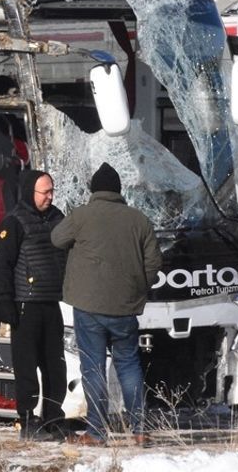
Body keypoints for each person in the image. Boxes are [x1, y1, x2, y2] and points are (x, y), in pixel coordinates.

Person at [51, 162, 161, 447]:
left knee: (94, 368)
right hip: (126, 306)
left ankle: (98, 432)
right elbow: (154, 263)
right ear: (118, 190)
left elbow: (56, 238)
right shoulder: (139, 220)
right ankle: (139, 429)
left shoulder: (82, 215)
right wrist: (138, 287)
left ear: (93, 190)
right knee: (130, 366)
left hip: (89, 307)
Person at [0, 170, 67, 440]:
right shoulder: (14, 222)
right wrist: (5, 300)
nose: (49, 197)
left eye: (51, 191)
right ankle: (27, 419)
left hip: (51, 301)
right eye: (44, 192)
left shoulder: (58, 217)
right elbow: (3, 264)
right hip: (26, 303)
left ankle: (54, 417)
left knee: (55, 365)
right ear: (29, 192)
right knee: (27, 366)